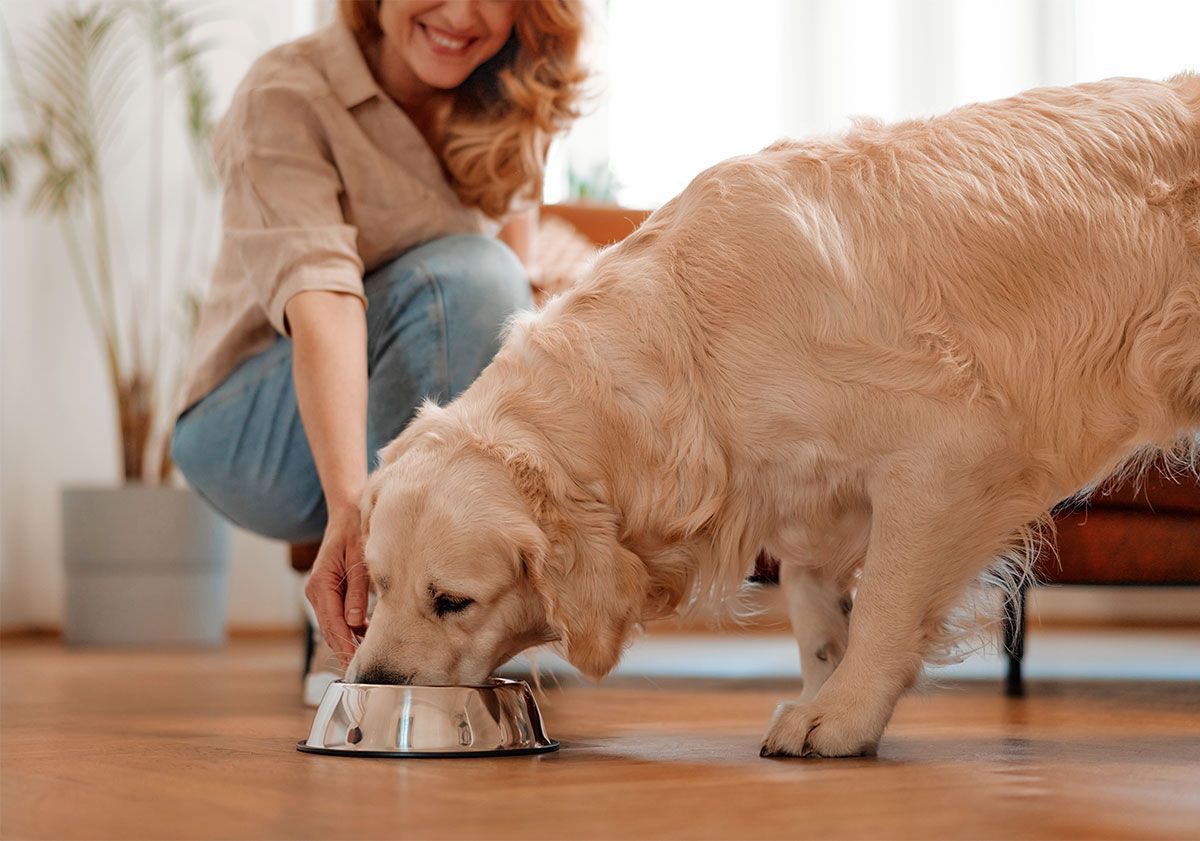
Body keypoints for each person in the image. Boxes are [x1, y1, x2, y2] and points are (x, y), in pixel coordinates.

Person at [171, 0, 586, 701]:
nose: (460, 13)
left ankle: (431, 631)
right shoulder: (286, 93)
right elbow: (323, 301)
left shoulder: (508, 98)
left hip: (388, 406)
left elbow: (511, 322)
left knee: (494, 284)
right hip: (253, 431)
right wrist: (352, 507)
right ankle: (365, 638)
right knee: (469, 274)